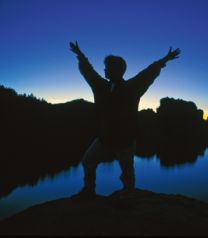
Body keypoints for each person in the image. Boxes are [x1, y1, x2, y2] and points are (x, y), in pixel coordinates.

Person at [69, 41, 181, 200]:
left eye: (108, 67)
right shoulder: (101, 87)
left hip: (125, 139)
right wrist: (80, 55)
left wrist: (165, 60)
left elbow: (148, 73)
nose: (105, 69)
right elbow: (89, 71)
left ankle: (128, 193)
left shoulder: (132, 88)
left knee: (127, 171)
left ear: (116, 70)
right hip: (105, 137)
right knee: (88, 160)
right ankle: (89, 190)